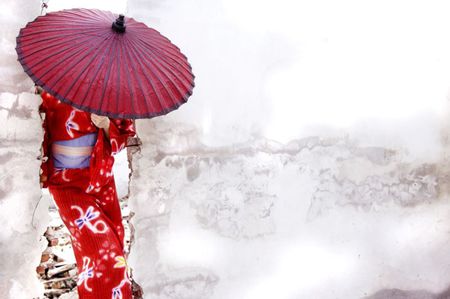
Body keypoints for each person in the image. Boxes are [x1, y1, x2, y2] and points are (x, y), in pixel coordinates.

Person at [37, 86, 136, 299]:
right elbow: (40, 125)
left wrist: (106, 124)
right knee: (102, 249)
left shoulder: (108, 90)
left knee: (112, 251)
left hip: (99, 180)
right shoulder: (51, 85)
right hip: (65, 184)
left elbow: (121, 140)